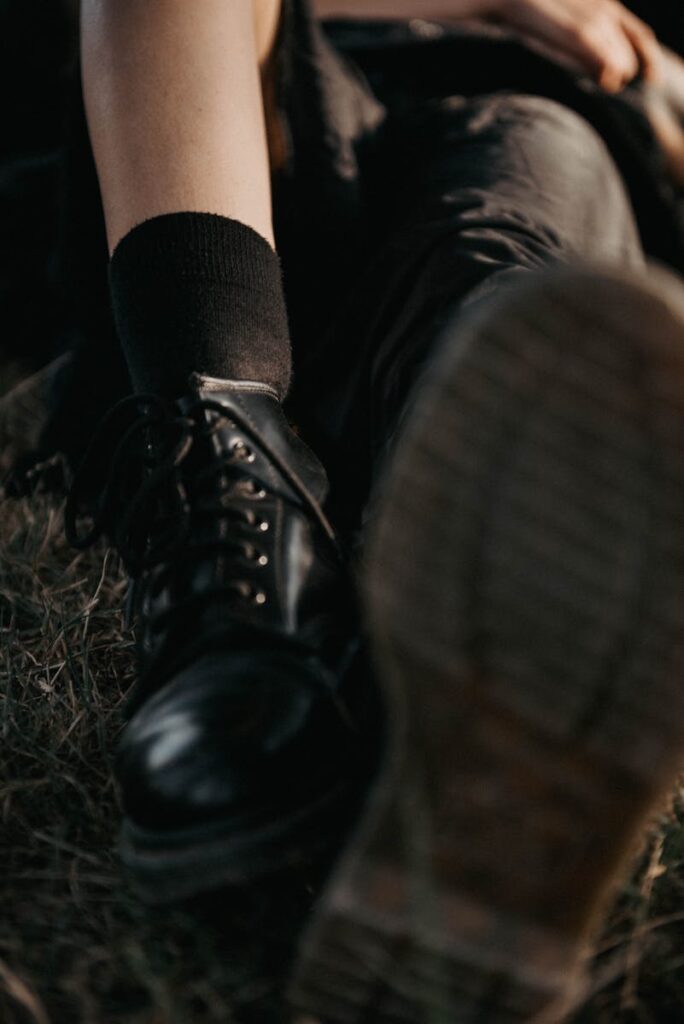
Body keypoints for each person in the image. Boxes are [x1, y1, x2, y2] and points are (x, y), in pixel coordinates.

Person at [57, 0, 684, 1019]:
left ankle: (485, 529)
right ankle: (236, 547)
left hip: (527, 141)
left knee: (515, 200)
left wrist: (655, 79)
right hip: (235, 149)